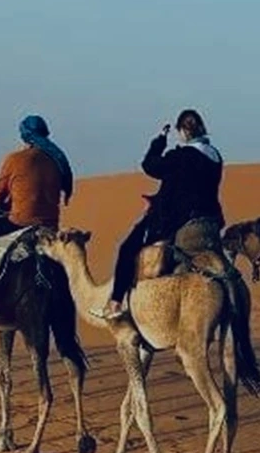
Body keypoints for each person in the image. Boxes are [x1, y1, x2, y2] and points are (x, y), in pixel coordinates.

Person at [96, 109, 225, 321]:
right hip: (210, 220)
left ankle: (116, 302)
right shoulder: (214, 156)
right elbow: (182, 187)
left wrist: (160, 140)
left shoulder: (181, 156)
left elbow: (149, 165)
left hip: (178, 220)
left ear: (183, 131)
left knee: (127, 248)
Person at [0, 114, 73, 246]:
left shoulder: (15, 159)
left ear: (24, 136)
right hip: (50, 225)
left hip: (20, 222)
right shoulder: (57, 161)